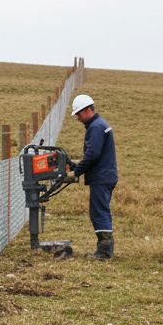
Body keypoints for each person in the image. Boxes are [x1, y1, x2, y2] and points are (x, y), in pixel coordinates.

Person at [70, 94, 118, 259]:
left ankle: (104, 251)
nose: (78, 118)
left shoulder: (96, 127)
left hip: (102, 177)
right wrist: (76, 166)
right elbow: (93, 155)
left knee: (99, 211)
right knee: (100, 210)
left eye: (78, 114)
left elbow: (92, 155)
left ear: (88, 110)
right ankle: (105, 249)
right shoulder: (99, 124)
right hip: (105, 175)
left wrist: (75, 172)